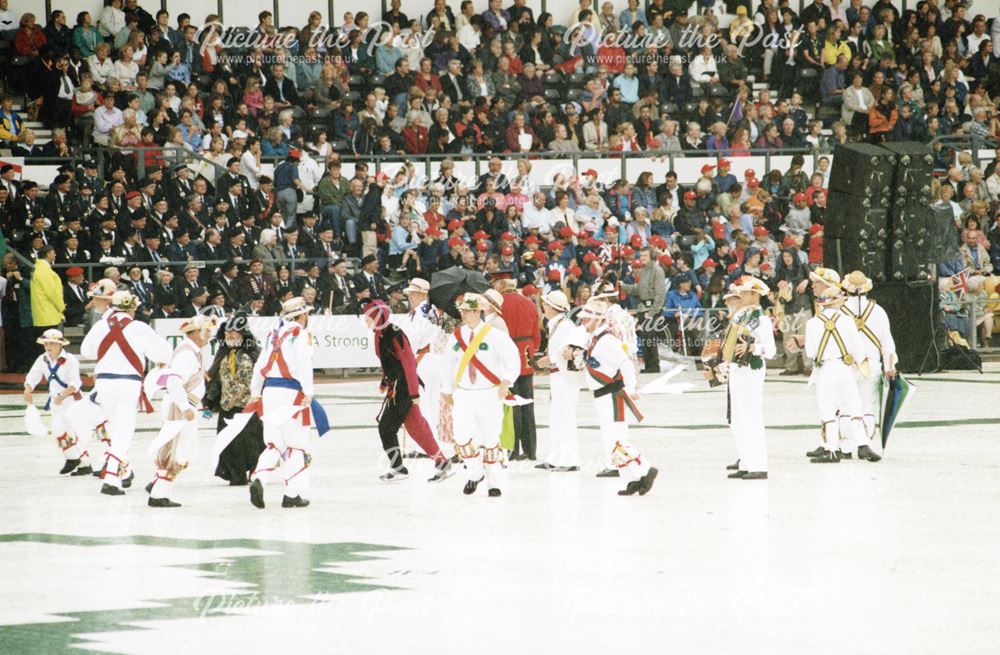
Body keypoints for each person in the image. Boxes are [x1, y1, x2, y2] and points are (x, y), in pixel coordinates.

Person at [79, 290, 171, 495]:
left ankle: (125, 471)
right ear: (132, 307)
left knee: (112, 427)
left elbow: (87, 351)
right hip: (128, 383)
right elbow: (164, 352)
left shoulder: (101, 325)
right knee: (124, 430)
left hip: (103, 382)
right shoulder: (139, 327)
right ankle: (112, 477)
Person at [248, 297, 328, 509]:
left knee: (274, 442)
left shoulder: (272, 335)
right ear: (301, 316)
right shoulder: (301, 335)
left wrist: (256, 390)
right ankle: (292, 493)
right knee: (296, 444)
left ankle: (260, 477)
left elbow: (260, 364)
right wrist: (308, 391)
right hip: (291, 392)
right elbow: (303, 364)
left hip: (269, 391)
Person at [362, 299, 453, 482]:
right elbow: (390, 363)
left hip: (404, 388)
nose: (365, 320)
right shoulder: (379, 334)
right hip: (397, 386)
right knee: (417, 428)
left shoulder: (394, 334)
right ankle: (441, 463)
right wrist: (385, 381)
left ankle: (399, 467)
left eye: (367, 316)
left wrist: (413, 393)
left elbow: (409, 363)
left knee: (387, 428)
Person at [441, 293, 520, 497]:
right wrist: (447, 390)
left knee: (491, 438)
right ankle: (475, 474)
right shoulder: (456, 336)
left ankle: (494, 482)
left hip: (489, 393)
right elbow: (447, 364)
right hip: (464, 394)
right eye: (461, 311)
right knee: (461, 436)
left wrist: (506, 381)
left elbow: (513, 359)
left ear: (478, 311)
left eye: (466, 310)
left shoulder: (496, 335)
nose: (463, 314)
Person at [578, 299, 658, 495]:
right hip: (603, 396)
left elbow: (626, 364)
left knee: (617, 440)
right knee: (611, 441)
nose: (582, 323)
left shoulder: (608, 340)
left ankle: (646, 469)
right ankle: (633, 478)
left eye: (586, 319)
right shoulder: (597, 339)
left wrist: (631, 389)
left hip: (611, 396)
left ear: (596, 320)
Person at [145, 315, 214, 507]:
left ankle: (157, 485)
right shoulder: (187, 354)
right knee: (177, 449)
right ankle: (158, 493)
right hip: (181, 405)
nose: (209, 335)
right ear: (197, 332)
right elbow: (173, 380)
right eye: (206, 331)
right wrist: (185, 407)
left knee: (181, 447)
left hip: (184, 403)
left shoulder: (192, 351)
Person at [804, 268, 868, 464]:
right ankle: (862, 443)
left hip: (826, 367)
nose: (813, 286)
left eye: (816, 283)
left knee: (829, 407)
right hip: (846, 366)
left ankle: (833, 447)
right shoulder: (846, 319)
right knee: (853, 405)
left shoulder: (814, 321)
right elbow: (858, 347)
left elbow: (811, 352)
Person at [839, 271, 894, 461]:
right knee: (868, 406)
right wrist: (890, 366)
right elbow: (887, 343)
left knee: (845, 406)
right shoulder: (878, 311)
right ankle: (865, 445)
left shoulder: (840, 310)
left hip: (847, 364)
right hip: (871, 364)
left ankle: (845, 447)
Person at [724, 277, 776, 480]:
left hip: (752, 370)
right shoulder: (742, 316)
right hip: (738, 369)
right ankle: (746, 462)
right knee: (739, 417)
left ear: (755, 295)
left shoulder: (761, 319)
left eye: (744, 293)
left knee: (752, 416)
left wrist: (753, 348)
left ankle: (759, 464)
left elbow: (770, 351)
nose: (741, 295)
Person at [204, 316, 265, 485]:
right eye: (227, 332)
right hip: (227, 405)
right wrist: (209, 400)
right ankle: (236, 475)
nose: (230, 335)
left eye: (234, 332)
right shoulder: (222, 353)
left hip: (249, 405)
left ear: (243, 333)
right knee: (229, 443)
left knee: (251, 441)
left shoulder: (256, 352)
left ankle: (256, 472)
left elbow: (264, 376)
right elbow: (216, 379)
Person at [24, 328, 90, 475]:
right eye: (46, 343)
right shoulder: (43, 359)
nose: (49, 346)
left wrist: (63, 394)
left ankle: (77, 460)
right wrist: (27, 389)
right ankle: (80, 460)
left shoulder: (70, 360)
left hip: (71, 400)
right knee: (61, 430)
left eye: (53, 343)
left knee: (70, 430)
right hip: (55, 401)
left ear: (60, 345)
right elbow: (33, 376)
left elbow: (75, 382)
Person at [536, 290, 585, 472]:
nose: (543, 307)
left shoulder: (565, 326)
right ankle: (556, 456)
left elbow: (568, 351)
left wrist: (550, 359)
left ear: (552, 307)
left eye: (546, 304)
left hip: (566, 378)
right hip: (557, 376)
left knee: (565, 416)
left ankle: (569, 459)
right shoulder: (555, 324)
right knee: (556, 416)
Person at [496, 275, 540, 461]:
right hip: (527, 352)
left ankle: (512, 448)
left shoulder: (499, 306)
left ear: (501, 286)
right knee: (528, 402)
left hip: (508, 353)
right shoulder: (528, 303)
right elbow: (537, 332)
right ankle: (530, 450)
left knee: (511, 402)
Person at [621, 247, 665, 373]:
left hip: (651, 309)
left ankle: (654, 366)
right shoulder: (644, 271)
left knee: (650, 338)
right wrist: (623, 286)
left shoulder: (658, 271)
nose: (642, 258)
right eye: (641, 256)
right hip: (643, 308)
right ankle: (649, 366)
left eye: (645, 255)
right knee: (646, 339)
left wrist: (652, 312)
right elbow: (638, 290)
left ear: (651, 256)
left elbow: (660, 294)